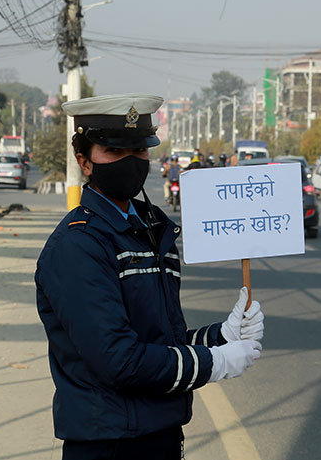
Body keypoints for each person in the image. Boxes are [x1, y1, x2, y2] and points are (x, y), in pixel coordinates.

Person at [36, 94, 264, 459]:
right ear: (85, 161)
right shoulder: (77, 246)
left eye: (139, 149)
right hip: (110, 444)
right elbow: (120, 360)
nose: (131, 161)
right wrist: (213, 363)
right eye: (114, 151)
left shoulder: (151, 229)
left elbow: (159, 340)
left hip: (159, 434)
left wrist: (221, 336)